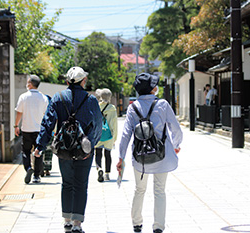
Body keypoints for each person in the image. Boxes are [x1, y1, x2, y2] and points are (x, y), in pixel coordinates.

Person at [34, 66, 102, 233]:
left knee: (67, 184)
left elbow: (47, 123)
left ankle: (67, 221)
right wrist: (90, 145)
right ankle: (77, 224)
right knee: (81, 185)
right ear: (83, 81)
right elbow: (98, 125)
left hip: (63, 148)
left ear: (67, 81)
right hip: (83, 150)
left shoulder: (58, 98)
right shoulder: (91, 100)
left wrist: (39, 146)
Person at [116, 73, 183, 233]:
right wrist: (176, 145)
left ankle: (137, 224)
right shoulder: (163, 104)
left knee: (139, 189)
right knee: (159, 190)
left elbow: (126, 134)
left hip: (140, 157)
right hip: (161, 155)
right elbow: (176, 128)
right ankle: (158, 226)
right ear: (152, 89)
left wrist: (121, 157)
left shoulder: (133, 107)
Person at [14, 75, 49, 184]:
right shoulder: (43, 98)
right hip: (39, 129)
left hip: (26, 129)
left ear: (30, 84)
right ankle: (37, 176)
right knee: (38, 152)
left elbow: (19, 112)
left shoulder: (23, 97)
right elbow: (46, 114)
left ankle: (28, 168)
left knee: (26, 151)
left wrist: (16, 126)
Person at [94, 88, 118, 182]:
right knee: (108, 154)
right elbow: (114, 124)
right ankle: (107, 174)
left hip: (98, 134)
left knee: (98, 153)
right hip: (109, 135)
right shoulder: (112, 108)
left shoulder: (96, 106)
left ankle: (99, 168)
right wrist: (114, 137)